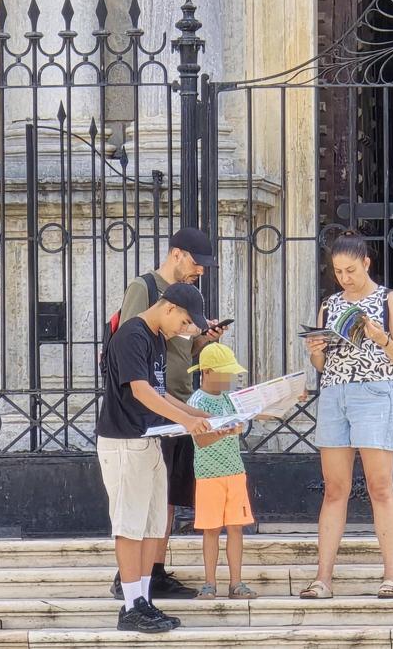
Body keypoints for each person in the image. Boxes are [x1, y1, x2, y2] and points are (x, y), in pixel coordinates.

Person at [110, 227, 228, 600]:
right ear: (176, 254)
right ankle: (131, 582)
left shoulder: (183, 301)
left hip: (176, 400)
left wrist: (200, 341)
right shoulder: (144, 289)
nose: (200, 271)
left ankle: (154, 573)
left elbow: (173, 350)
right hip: (150, 410)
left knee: (168, 495)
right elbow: (132, 347)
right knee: (144, 500)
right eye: (197, 263)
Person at [300, 230, 393, 601]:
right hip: (335, 394)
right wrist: (315, 350)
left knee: (380, 486)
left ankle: (391, 576)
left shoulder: (388, 300)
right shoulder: (330, 304)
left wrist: (380, 338)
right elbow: (322, 364)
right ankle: (323, 579)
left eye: (350, 270)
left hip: (375, 393)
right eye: (338, 271)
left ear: (366, 263)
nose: (344, 278)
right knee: (334, 489)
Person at [97, 282, 215, 633]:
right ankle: (131, 605)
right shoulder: (132, 336)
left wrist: (199, 416)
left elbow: (161, 394)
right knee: (129, 525)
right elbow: (141, 391)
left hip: (148, 440)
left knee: (151, 525)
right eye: (184, 322)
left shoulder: (158, 340)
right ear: (169, 307)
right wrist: (187, 421)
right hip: (124, 441)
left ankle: (143, 600)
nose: (185, 330)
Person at [186, 343, 259, 601]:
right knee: (211, 530)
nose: (229, 379)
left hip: (234, 472)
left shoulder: (230, 398)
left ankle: (236, 583)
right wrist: (225, 431)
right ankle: (209, 583)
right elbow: (200, 440)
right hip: (209, 475)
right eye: (224, 373)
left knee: (236, 528)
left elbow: (255, 411)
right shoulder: (196, 402)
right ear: (206, 372)